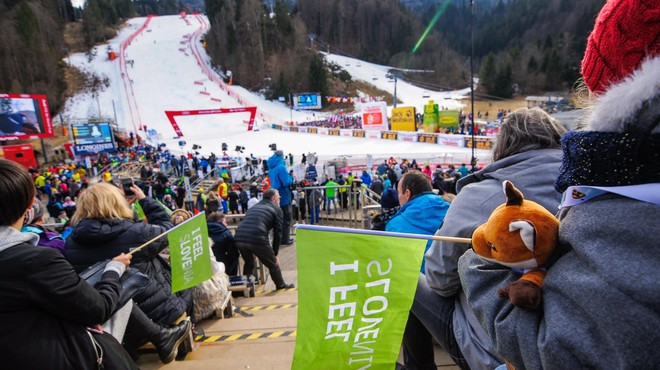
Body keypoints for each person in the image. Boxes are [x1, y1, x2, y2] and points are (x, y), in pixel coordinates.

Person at [459, 2, 660, 368]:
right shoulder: (617, 177)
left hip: (510, 333)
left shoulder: (630, 188)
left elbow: (565, 349)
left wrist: (478, 259)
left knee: (427, 295)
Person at [402, 107, 567, 369]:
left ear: (503, 145)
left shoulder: (483, 194)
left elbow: (439, 279)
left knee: (407, 278)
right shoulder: (587, 185)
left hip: (500, 349)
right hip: (574, 338)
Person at [0, 159, 138, 369]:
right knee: (122, 296)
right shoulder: (38, 261)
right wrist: (114, 270)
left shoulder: (59, 245)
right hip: (53, 358)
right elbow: (98, 309)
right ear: (29, 206)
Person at [64, 182, 193, 363]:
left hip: (108, 318)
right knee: (188, 281)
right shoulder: (136, 232)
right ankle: (180, 330)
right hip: (160, 313)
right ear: (117, 202)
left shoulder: (71, 241)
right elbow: (170, 229)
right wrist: (144, 200)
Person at [385, 171, 450, 273]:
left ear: (407, 194)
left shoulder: (394, 225)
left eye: (398, 192)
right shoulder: (453, 213)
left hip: (415, 284)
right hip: (454, 283)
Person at [234, 189, 294, 290]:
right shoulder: (277, 209)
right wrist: (274, 254)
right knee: (273, 263)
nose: (280, 198)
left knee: (249, 263)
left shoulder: (254, 207)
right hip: (257, 237)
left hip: (239, 237)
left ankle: (243, 288)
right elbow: (278, 233)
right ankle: (281, 285)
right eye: (278, 196)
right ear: (273, 198)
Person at [267, 150, 294, 245]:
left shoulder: (271, 168)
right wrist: (291, 178)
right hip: (283, 196)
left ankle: (279, 239)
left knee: (278, 220)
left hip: (274, 196)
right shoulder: (281, 167)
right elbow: (286, 182)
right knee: (286, 219)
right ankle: (285, 240)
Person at [208, 212, 240, 276]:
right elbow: (233, 254)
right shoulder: (226, 233)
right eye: (225, 222)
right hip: (220, 263)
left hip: (206, 263)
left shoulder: (202, 230)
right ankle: (232, 278)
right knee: (235, 259)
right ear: (220, 222)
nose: (226, 224)